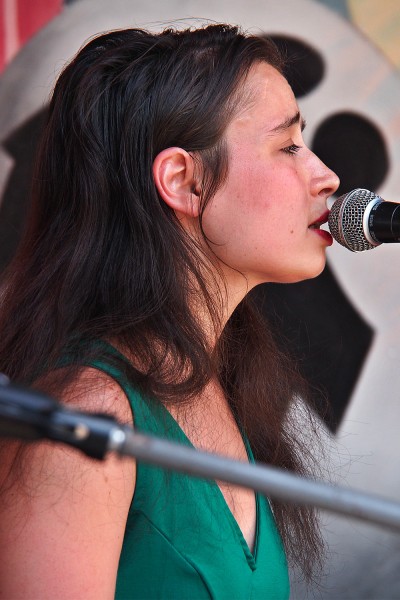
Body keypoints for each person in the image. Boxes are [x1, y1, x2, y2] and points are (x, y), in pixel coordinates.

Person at [0, 24, 339, 599]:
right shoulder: (87, 414)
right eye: (287, 146)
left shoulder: (220, 380)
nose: (326, 176)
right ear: (183, 180)